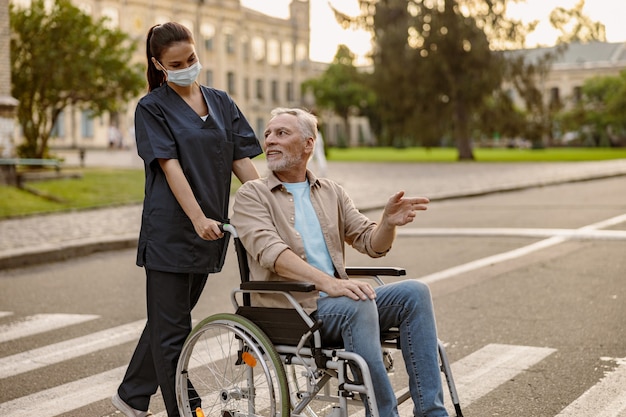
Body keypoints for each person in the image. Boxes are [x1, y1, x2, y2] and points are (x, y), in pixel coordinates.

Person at [231, 107, 448, 417]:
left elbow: (371, 244)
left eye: (282, 133)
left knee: (415, 293)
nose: (270, 141)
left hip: (334, 304)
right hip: (292, 310)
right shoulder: (252, 195)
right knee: (354, 303)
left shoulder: (330, 192)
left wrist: (387, 223)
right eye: (267, 134)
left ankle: (432, 413)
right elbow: (272, 254)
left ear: (308, 144)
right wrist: (331, 284)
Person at [112, 22, 262, 417]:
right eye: (176, 63)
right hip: (172, 232)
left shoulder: (221, 101)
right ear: (159, 65)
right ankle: (188, 408)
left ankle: (131, 395)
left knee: (169, 323)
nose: (186, 67)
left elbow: (240, 159)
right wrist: (196, 218)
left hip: (209, 233)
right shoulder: (151, 107)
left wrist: (270, 205)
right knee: (174, 332)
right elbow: (169, 166)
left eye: (191, 58)